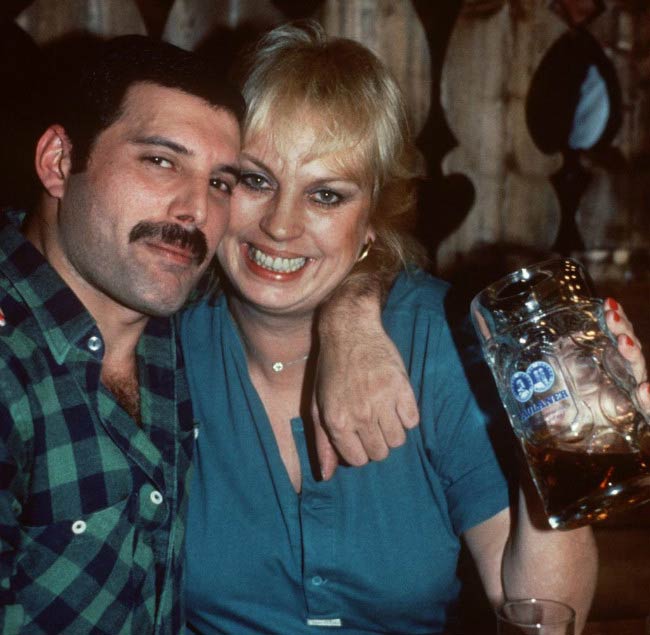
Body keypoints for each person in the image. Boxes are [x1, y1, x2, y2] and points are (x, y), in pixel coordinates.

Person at [180, 22, 650, 635]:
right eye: (256, 180)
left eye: (326, 196)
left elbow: (543, 615)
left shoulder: (436, 341)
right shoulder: (164, 338)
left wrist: (555, 454)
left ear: (371, 220)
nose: (281, 224)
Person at [0, 33, 413, 635]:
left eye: (223, 182)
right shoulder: (15, 368)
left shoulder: (173, 324)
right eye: (162, 161)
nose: (195, 210)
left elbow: (346, 250)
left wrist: (352, 318)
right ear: (59, 161)